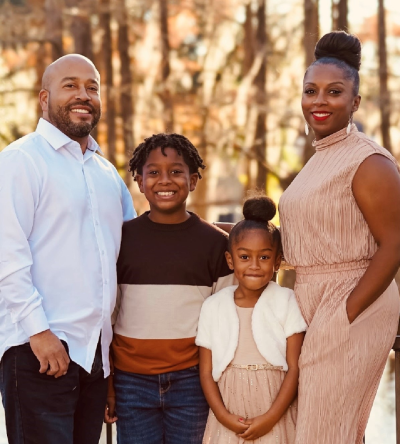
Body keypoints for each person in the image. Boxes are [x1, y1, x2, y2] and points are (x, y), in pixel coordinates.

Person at [0, 54, 135, 444]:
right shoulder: (21, 161)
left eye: (92, 87)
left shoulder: (107, 174)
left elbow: (134, 245)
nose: (84, 95)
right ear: (44, 99)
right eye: (70, 85)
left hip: (94, 356)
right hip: (37, 351)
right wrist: (38, 333)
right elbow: (6, 255)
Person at [279, 31, 400, 444]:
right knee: (322, 427)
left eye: (334, 92)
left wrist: (345, 313)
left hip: (353, 302)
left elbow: (394, 243)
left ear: (355, 102)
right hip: (309, 300)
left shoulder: (369, 161)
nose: (319, 101)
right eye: (311, 90)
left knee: (323, 430)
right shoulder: (319, 158)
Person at [104, 133, 234, 443]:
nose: (166, 180)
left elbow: (225, 321)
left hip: (193, 380)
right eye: (154, 172)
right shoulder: (120, 240)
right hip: (131, 381)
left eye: (176, 171)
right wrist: (108, 383)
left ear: (193, 180)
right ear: (138, 180)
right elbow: (107, 316)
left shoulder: (216, 244)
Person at [196, 193, 307, 444]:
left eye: (264, 257)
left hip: (275, 404)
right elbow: (205, 372)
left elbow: (294, 368)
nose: (254, 265)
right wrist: (223, 416)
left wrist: (271, 417)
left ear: (277, 262)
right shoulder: (213, 307)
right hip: (229, 406)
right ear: (230, 260)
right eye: (245, 257)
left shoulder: (287, 301)